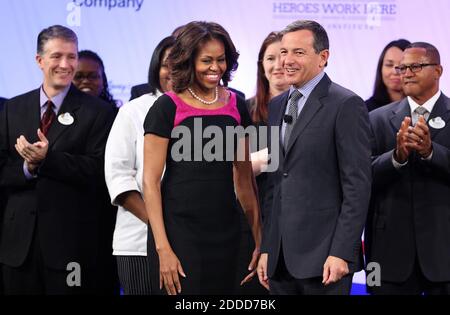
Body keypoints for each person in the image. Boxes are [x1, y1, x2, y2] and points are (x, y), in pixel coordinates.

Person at [143, 21, 261, 295]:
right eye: (206, 60)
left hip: (228, 229)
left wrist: (259, 240)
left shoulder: (236, 103)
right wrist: (163, 248)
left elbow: (244, 179)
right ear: (187, 61)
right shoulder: (166, 106)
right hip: (179, 232)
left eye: (221, 60)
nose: (215, 67)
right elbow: (150, 182)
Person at [257, 20, 371, 295]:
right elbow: (275, 184)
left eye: (298, 52)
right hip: (280, 262)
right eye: (284, 52)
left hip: (325, 260)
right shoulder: (276, 105)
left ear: (323, 57)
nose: (287, 60)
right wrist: (268, 249)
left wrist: (342, 252)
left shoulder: (346, 104)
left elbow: (357, 187)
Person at [0, 25, 115, 294]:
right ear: (40, 60)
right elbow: (2, 168)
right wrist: (27, 167)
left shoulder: (99, 112)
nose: (65, 64)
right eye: (56, 56)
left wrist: (48, 160)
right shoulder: (12, 109)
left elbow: (99, 171)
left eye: (71, 56)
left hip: (72, 246)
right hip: (19, 248)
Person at [365, 42, 450, 295]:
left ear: (438, 71)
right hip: (387, 252)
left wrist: (430, 152)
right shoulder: (376, 119)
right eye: (403, 67)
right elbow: (360, 177)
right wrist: (396, 157)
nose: (407, 73)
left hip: (444, 250)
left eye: (416, 66)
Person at [105, 35, 175, 295]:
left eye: (182, 63)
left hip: (193, 240)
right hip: (138, 243)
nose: (174, 71)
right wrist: (162, 227)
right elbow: (119, 179)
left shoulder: (203, 112)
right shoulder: (133, 111)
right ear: (156, 67)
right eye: (168, 64)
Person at [236, 31, 288, 295]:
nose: (278, 64)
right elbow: (231, 171)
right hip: (251, 225)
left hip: (292, 224)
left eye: (284, 56)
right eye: (270, 57)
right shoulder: (242, 111)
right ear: (261, 65)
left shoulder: (314, 113)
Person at [365, 39, 411, 112]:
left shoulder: (424, 107)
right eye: (389, 65)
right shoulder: (366, 109)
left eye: (402, 66)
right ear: (381, 68)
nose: (395, 72)